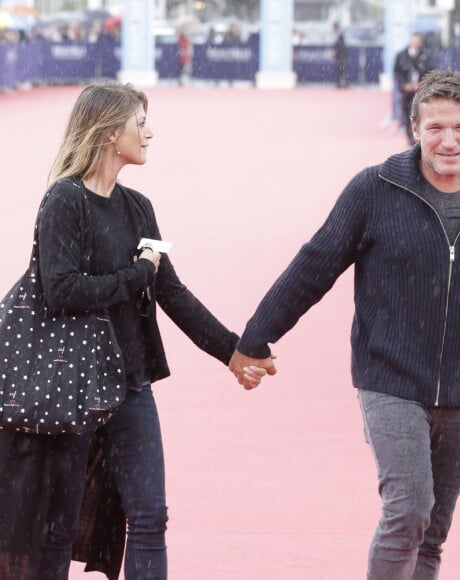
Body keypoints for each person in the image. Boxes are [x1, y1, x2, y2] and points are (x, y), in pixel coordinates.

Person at [229, 69, 460, 579]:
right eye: (435, 127)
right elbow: (314, 266)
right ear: (415, 127)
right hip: (388, 378)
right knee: (409, 510)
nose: (448, 140)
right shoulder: (375, 189)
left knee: (433, 530)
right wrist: (255, 336)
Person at [0, 81, 265, 580]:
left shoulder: (139, 206)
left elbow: (173, 293)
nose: (148, 132)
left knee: (150, 516)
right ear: (107, 133)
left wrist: (233, 351)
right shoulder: (63, 201)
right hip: (71, 388)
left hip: (130, 385)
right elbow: (61, 289)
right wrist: (138, 274)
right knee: (56, 525)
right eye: (139, 123)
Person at [394, 33, 431, 146]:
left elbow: (430, 72)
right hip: (406, 91)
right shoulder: (401, 55)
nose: (415, 43)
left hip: (421, 91)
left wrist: (422, 85)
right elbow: (397, 73)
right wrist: (404, 85)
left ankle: (420, 137)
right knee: (407, 114)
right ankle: (410, 137)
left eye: (417, 41)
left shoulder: (425, 56)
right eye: (413, 40)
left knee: (421, 114)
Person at [332, 22, 348, 89]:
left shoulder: (340, 36)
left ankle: (343, 84)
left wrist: (335, 51)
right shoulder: (338, 35)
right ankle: (340, 84)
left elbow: (341, 46)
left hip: (341, 56)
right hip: (340, 56)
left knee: (342, 71)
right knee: (340, 71)